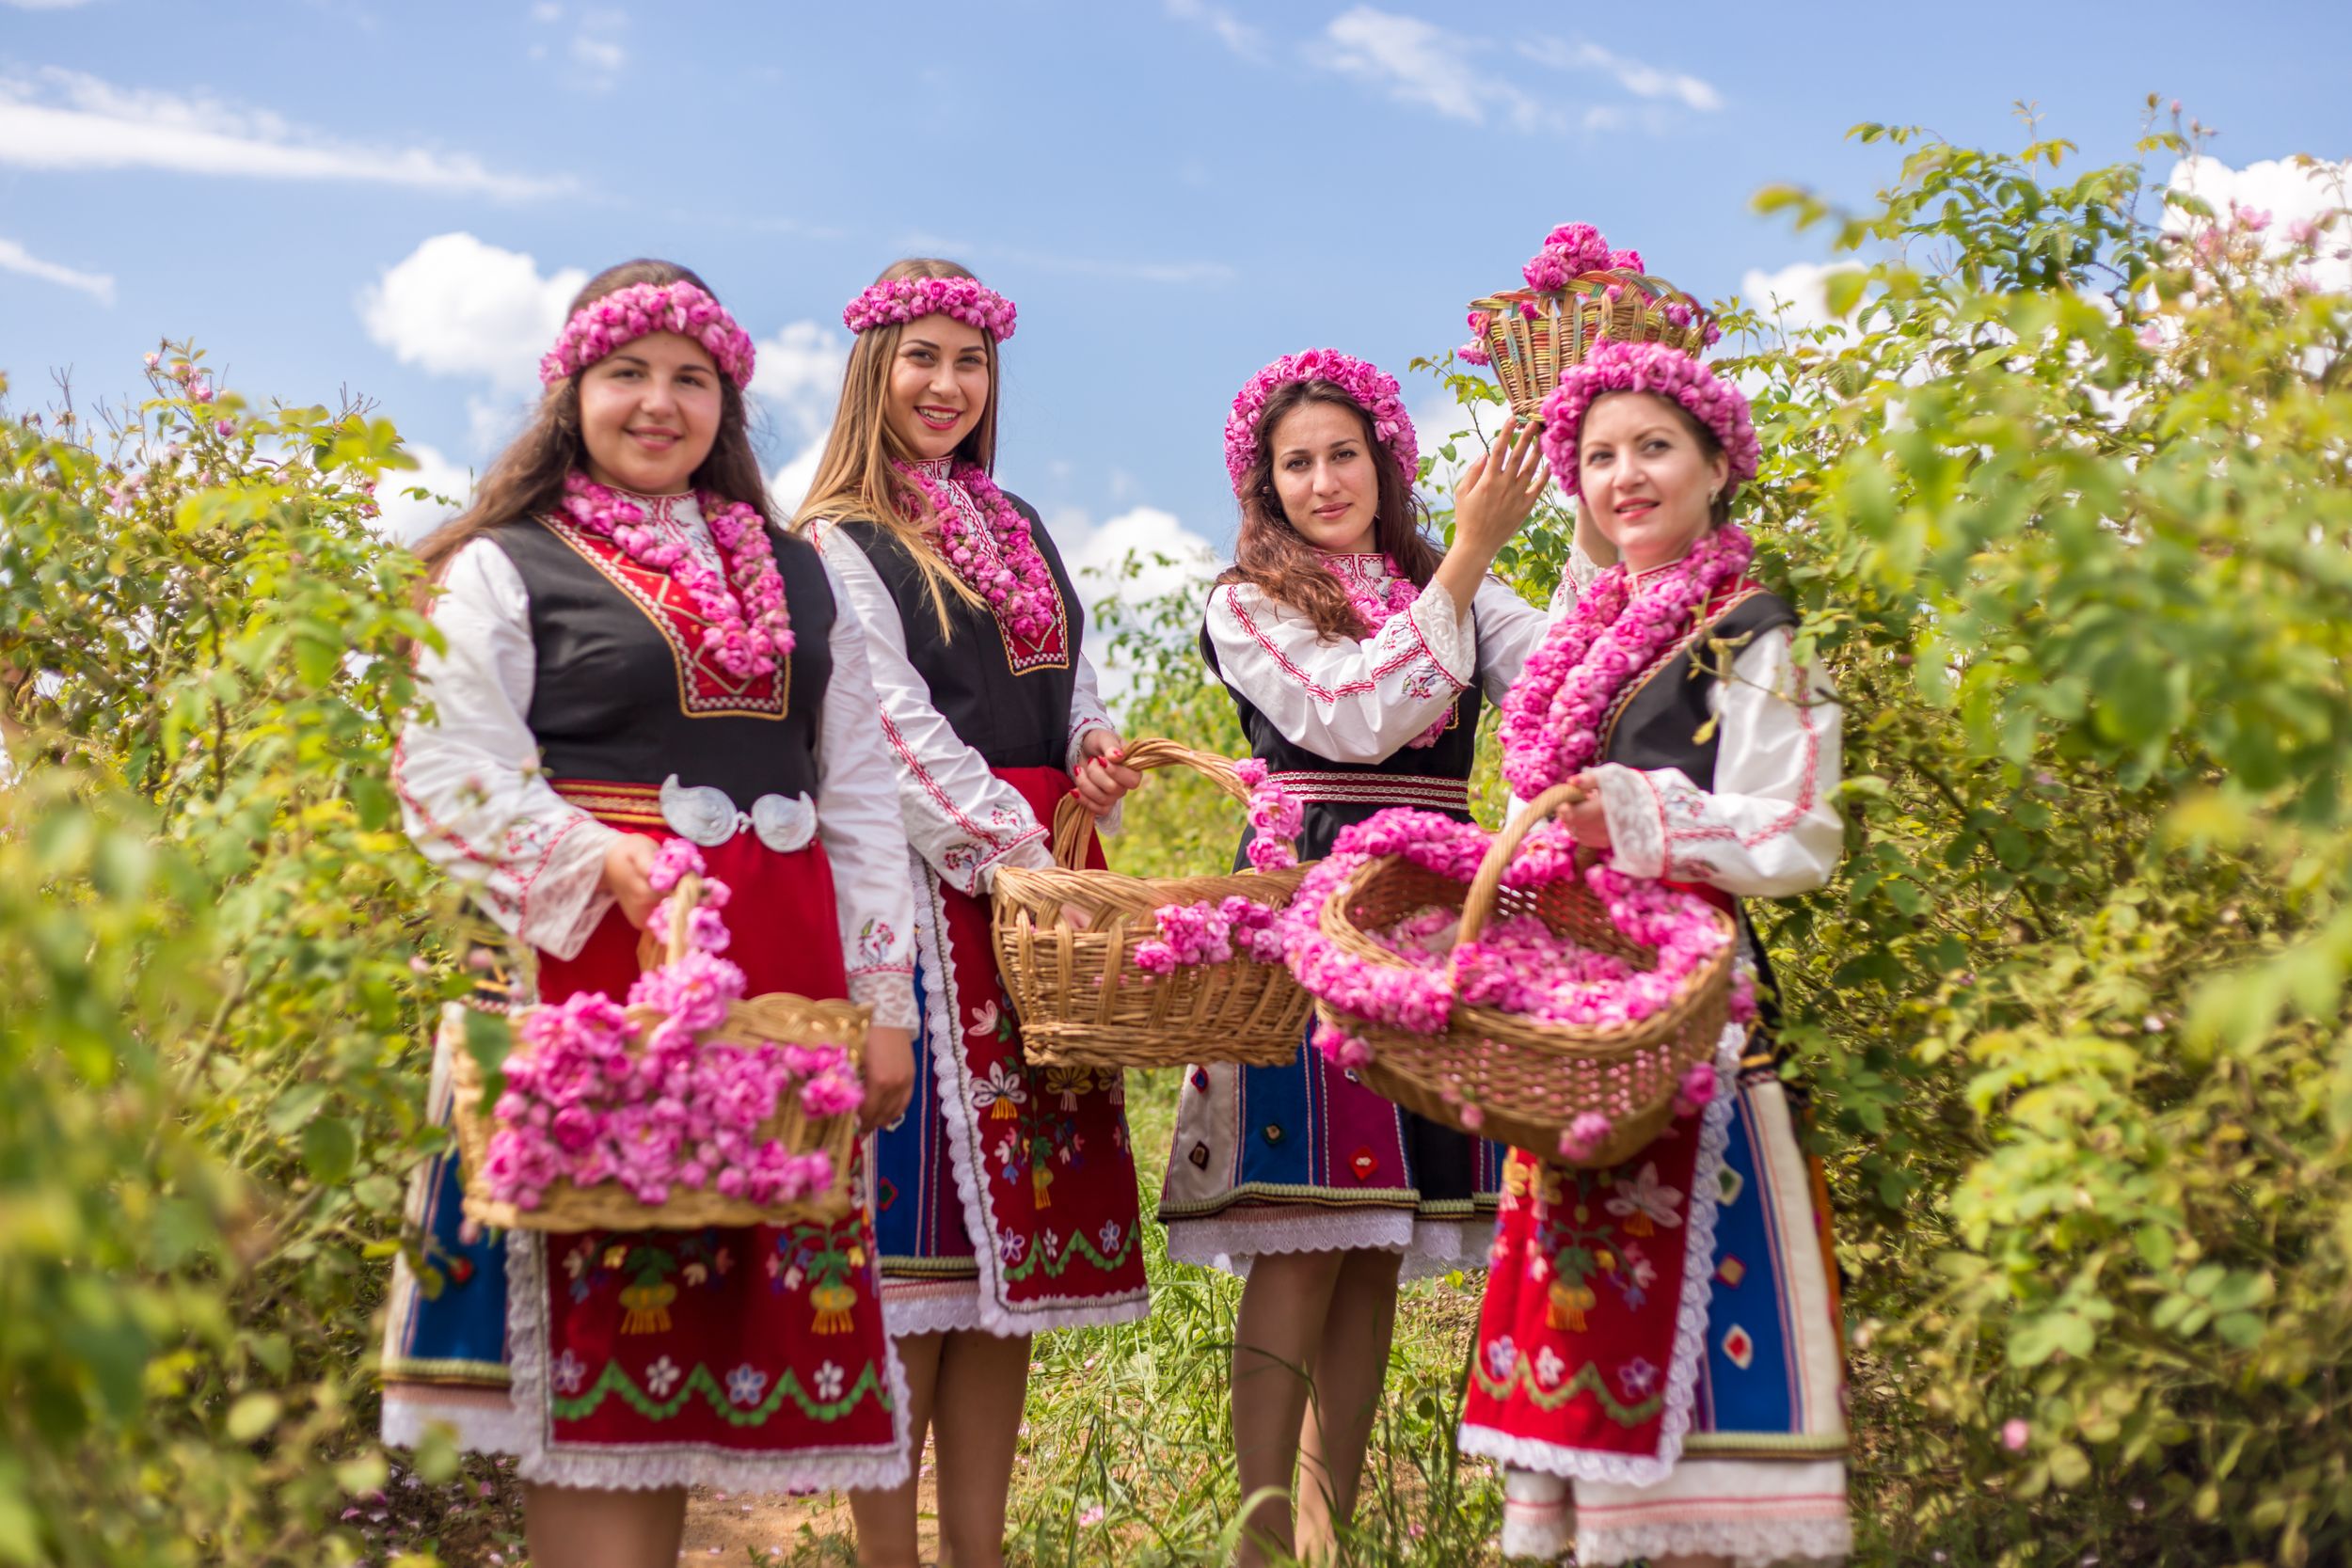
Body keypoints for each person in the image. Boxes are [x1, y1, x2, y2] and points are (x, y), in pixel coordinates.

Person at [378, 261, 919, 1568]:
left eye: (692, 379)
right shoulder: (503, 567)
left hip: (783, 983)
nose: (659, 405)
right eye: (629, 374)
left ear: (727, 403)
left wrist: (883, 1006)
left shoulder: (803, 575)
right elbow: (442, 771)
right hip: (601, 972)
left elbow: (854, 793)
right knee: (603, 1345)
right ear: (572, 393)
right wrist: (592, 856)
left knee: (707, 1360)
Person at [1155, 349, 1552, 1565]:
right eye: (1297, 464)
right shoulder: (1249, 600)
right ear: (1263, 486)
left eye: (1345, 454)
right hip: (1311, 902)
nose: (1326, 481)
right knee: (1307, 1223)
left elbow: (1569, 665)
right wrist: (1476, 555)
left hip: (1434, 910)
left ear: (1387, 461)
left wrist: (1593, 491)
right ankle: (1260, 1534)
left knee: (1377, 1234)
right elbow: (1352, 714)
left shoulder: (1448, 583)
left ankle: (1340, 1527)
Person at [1462, 337, 1851, 1567]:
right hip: (1582, 1025)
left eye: (1654, 448)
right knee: (1587, 1330)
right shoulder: (1599, 630)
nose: (1625, 476)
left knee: (1701, 1347)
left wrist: (1632, 814)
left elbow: (1798, 828)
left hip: (1696, 1026)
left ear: (1716, 465)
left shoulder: (1755, 633)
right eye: (1598, 456)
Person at [797, 259, 1146, 1568]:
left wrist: (1097, 752)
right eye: (922, 357)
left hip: (1046, 898)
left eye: (971, 362)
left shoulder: (1022, 522)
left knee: (1009, 1285)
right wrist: (1019, 861)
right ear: (873, 370)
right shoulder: (839, 539)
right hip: (935, 905)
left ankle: (978, 1552)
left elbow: (1075, 683)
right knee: (913, 1269)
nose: (948, 386)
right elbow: (892, 735)